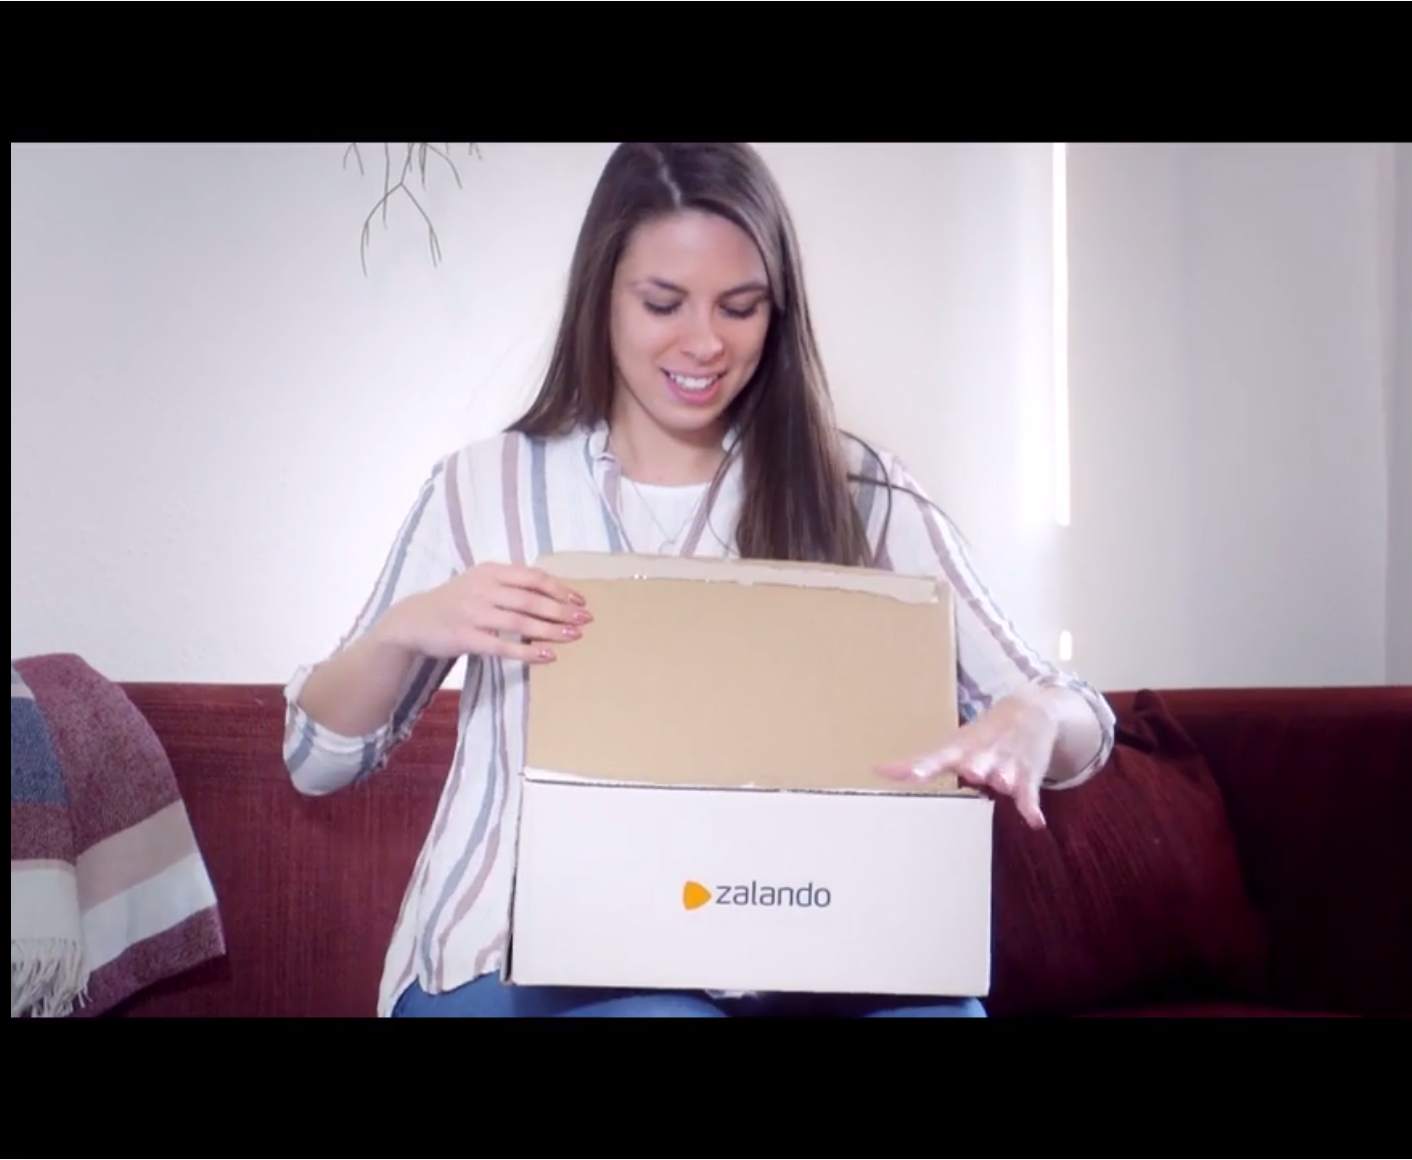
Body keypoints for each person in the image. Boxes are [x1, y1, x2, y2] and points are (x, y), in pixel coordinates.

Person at [283, 142, 1116, 1018]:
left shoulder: (859, 492)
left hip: (804, 947)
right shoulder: (484, 486)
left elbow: (1079, 719)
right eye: (663, 303)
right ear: (601, 296)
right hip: (520, 957)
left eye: (741, 306)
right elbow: (313, 762)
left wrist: (1031, 718)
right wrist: (409, 626)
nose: (705, 342)